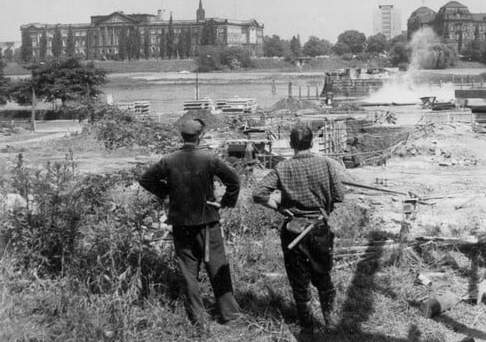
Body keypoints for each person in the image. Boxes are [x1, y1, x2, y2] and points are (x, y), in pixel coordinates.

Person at [138, 119, 242, 332]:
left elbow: (146, 179)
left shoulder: (168, 160)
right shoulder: (209, 158)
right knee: (217, 267)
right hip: (208, 222)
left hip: (181, 223)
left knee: (188, 272)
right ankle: (230, 316)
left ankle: (199, 320)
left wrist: (167, 193)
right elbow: (234, 181)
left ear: (181, 137)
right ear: (200, 137)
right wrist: (225, 202)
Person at [252, 125, 345, 334]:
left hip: (293, 231)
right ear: (312, 143)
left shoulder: (283, 168)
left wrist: (282, 209)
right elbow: (339, 195)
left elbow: (258, 193)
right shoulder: (327, 164)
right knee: (323, 276)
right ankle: (330, 322)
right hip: (319, 229)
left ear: (291, 144)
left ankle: (307, 327)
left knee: (299, 281)